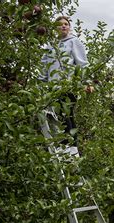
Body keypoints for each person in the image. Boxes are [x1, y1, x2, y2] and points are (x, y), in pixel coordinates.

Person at [40, 16, 91, 156]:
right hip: (52, 89)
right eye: (60, 24)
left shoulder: (74, 42)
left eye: (66, 24)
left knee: (66, 115)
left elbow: (82, 64)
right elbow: (44, 68)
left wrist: (87, 82)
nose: (63, 26)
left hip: (68, 86)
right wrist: (38, 85)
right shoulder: (50, 45)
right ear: (55, 28)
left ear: (69, 27)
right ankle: (62, 148)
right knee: (57, 118)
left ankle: (72, 150)